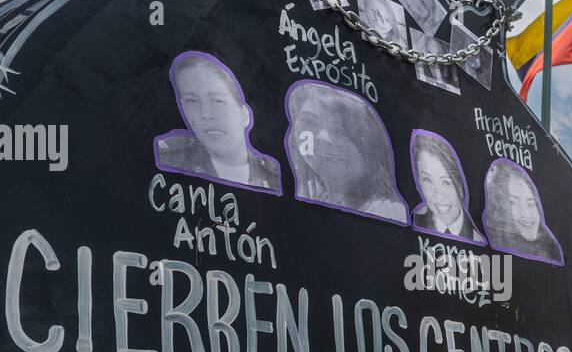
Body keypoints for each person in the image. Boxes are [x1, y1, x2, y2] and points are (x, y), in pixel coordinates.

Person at [154, 51, 280, 192]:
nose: (205, 114)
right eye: (192, 101)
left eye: (218, 101)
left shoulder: (275, 178)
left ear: (244, 115)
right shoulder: (168, 158)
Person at [284, 81, 407, 223]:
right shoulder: (317, 195)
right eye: (309, 122)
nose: (323, 137)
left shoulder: (389, 212)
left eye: (338, 130)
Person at [410, 131, 484, 244]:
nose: (437, 194)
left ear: (461, 184)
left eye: (446, 182)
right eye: (427, 180)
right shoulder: (413, 222)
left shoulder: (480, 237)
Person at [484, 159, 563, 264]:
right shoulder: (492, 258)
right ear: (500, 207)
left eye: (531, 204)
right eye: (513, 203)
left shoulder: (552, 253)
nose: (526, 214)